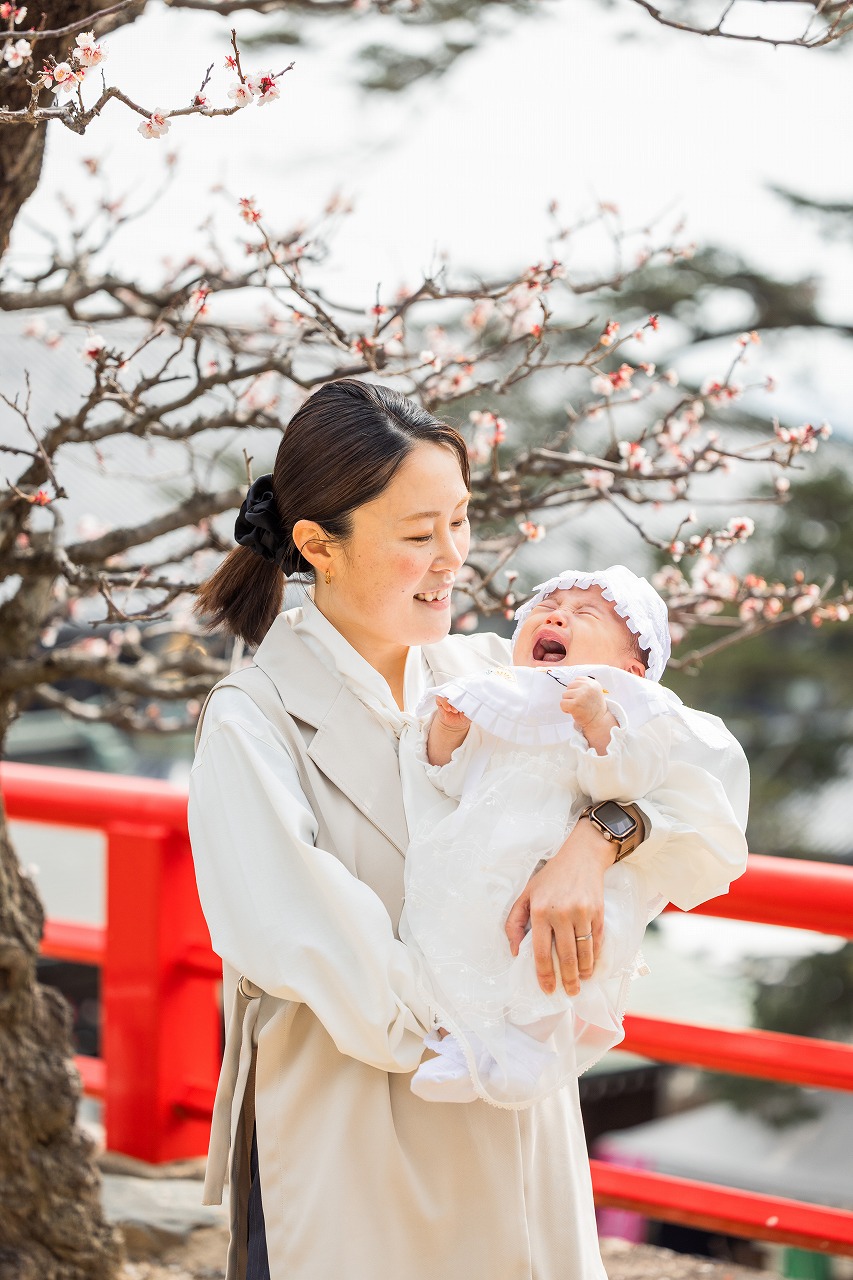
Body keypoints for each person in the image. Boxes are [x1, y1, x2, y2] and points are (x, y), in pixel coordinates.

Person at [188, 377, 750, 1280]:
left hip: (517, 1115)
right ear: (318, 546)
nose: (453, 557)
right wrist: (495, 1024)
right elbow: (309, 942)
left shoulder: (494, 672)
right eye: (419, 535)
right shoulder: (253, 721)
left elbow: (698, 782)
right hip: (358, 1123)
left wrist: (596, 839)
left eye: (459, 521)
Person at [402, 566, 749, 1108]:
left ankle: (526, 1046)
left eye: (585, 614)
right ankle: (459, 1038)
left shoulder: (634, 714)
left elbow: (624, 784)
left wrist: (597, 722)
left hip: (561, 858)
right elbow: (449, 776)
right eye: (547, 607)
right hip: (484, 853)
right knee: (456, 933)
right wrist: (450, 730)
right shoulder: (497, 693)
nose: (557, 616)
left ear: (629, 671)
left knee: (549, 952)